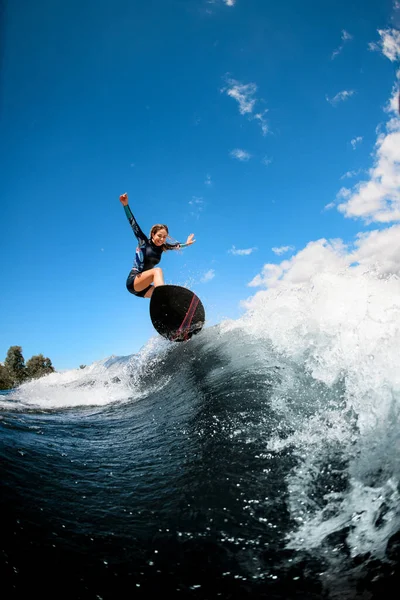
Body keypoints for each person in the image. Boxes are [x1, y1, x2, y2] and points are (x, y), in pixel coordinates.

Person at [119, 192, 195, 298]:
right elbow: (133, 224)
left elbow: (176, 246)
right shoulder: (143, 242)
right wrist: (125, 205)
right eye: (159, 236)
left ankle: (171, 312)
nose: (162, 239)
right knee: (157, 271)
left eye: (164, 237)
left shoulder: (162, 247)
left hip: (143, 288)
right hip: (134, 280)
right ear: (153, 234)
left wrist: (186, 244)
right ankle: (162, 293)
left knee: (169, 297)